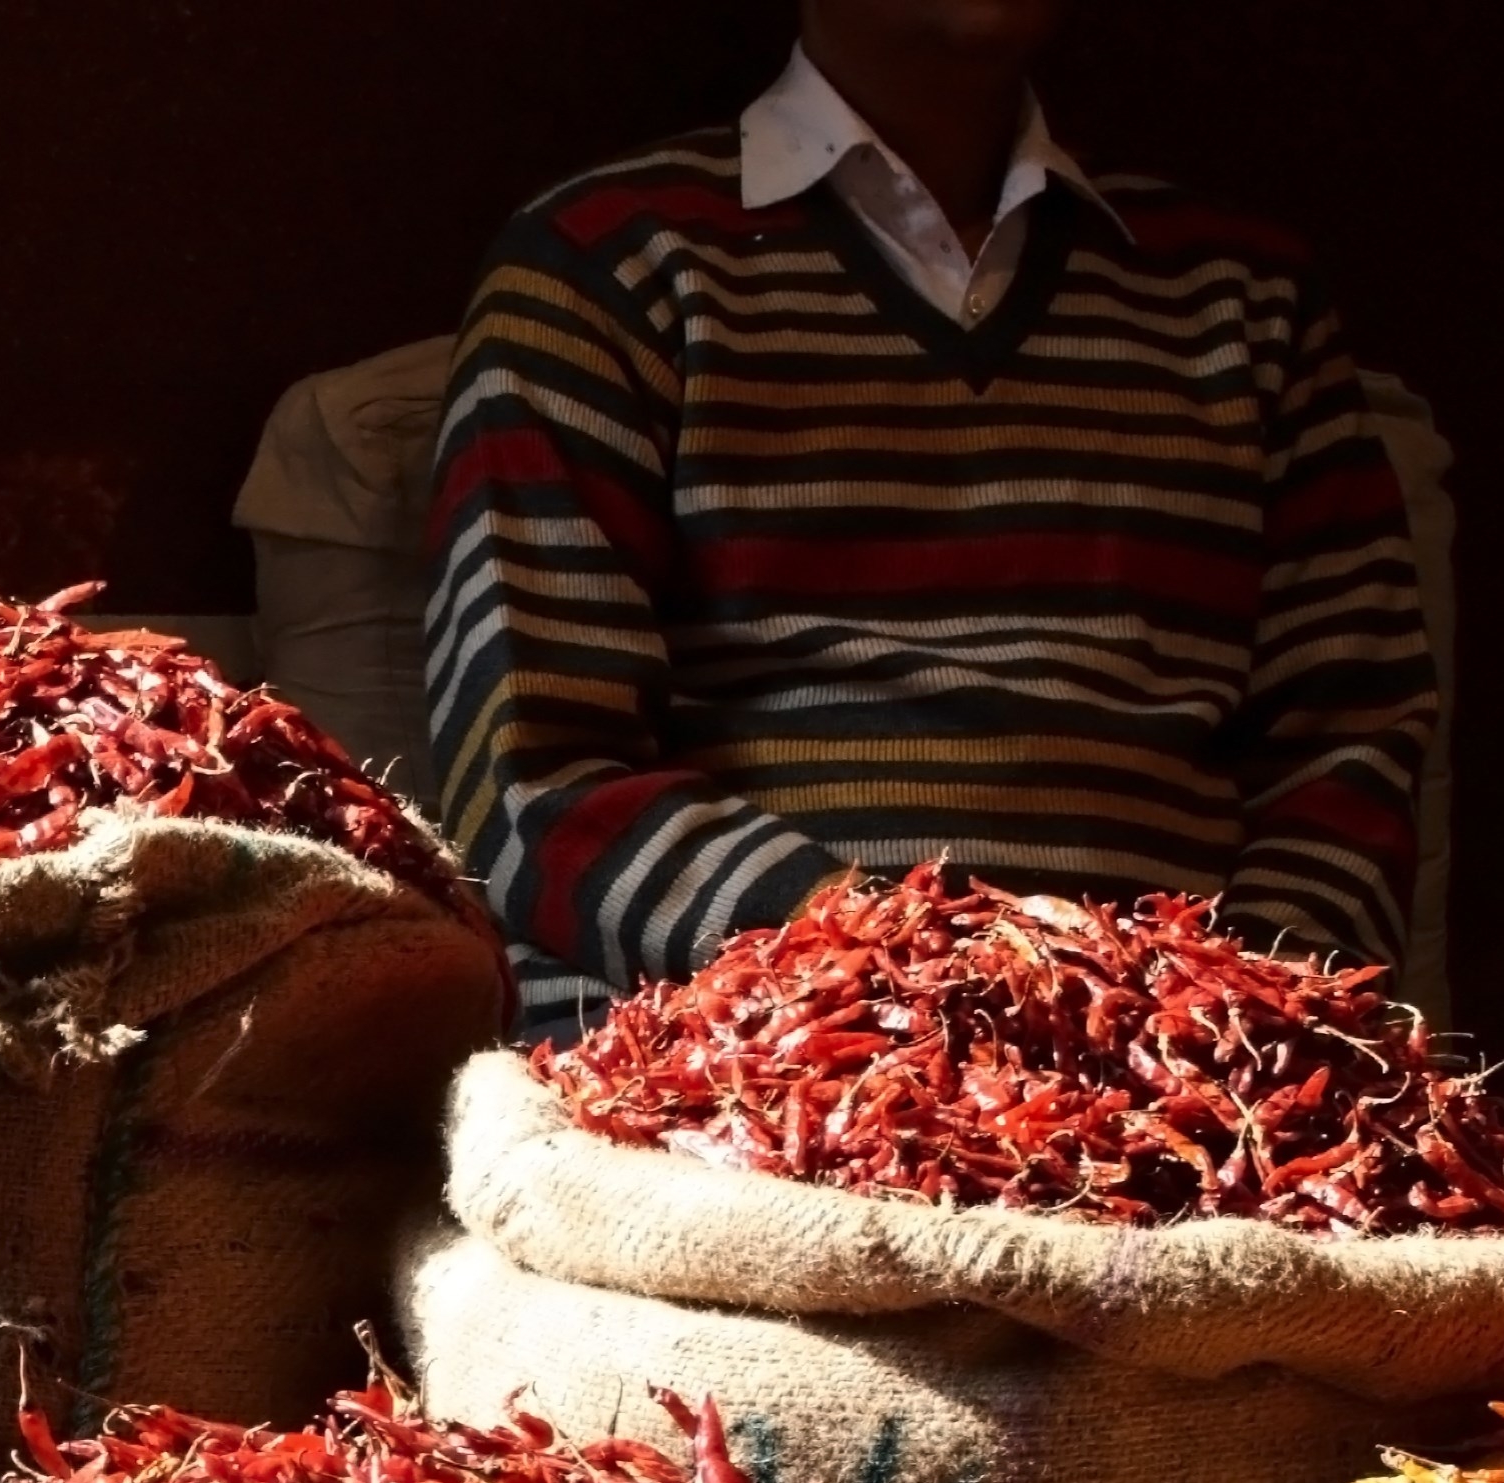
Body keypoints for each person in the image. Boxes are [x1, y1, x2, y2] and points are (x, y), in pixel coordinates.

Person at [423, 0, 1437, 1039]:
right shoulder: (604, 265)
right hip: (735, 1059)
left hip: (1183, 1077)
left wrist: (1238, 1023)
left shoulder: (1245, 298)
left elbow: (1346, 743)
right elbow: (535, 784)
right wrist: (917, 980)